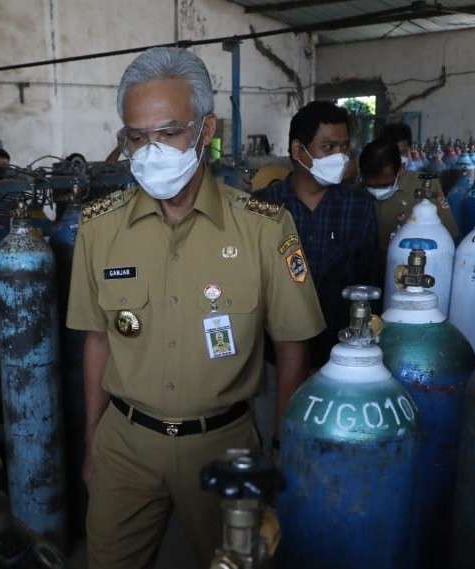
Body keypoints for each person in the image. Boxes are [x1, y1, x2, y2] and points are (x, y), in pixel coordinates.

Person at [66, 47, 324, 569]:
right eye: (136, 137)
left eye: (169, 132)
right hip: (126, 444)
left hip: (225, 445)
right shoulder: (99, 228)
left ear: (206, 131)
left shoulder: (262, 228)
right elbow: (97, 340)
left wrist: (279, 451)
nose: (150, 151)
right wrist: (93, 441)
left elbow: (292, 347)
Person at [258, 100, 379, 368]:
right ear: (298, 150)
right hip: (273, 359)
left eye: (344, 147)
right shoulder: (265, 207)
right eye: (328, 147)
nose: (340, 156)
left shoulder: (358, 207)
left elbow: (370, 282)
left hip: (340, 358)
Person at [359, 139, 461, 285]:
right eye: (371, 186)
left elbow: (450, 233)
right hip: (371, 271)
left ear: (400, 169)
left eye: (385, 185)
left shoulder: (426, 185)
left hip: (413, 269)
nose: (377, 192)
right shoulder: (357, 192)